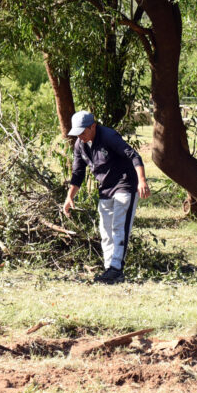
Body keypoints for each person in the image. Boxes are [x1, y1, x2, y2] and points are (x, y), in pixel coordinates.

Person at [63, 111, 151, 284]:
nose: (80, 135)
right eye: (78, 132)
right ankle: (109, 268)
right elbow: (77, 173)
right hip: (105, 189)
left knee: (119, 227)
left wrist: (142, 181)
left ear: (93, 126)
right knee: (105, 230)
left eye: (83, 131)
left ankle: (116, 269)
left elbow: (134, 156)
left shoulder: (109, 136)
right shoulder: (80, 145)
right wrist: (69, 197)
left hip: (125, 185)